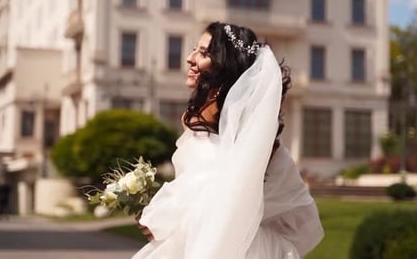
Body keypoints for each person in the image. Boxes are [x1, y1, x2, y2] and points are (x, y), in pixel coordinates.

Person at [132, 22, 323, 259]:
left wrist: (160, 216)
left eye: (203, 53)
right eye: (194, 49)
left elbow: (210, 187)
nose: (190, 59)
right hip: (205, 235)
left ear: (224, 63)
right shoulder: (203, 115)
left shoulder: (239, 124)